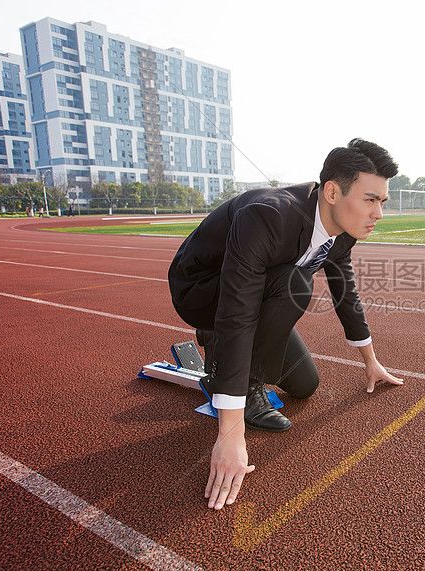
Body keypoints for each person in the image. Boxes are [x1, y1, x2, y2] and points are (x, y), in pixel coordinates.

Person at [168, 138, 404, 510]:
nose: (378, 213)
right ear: (332, 191)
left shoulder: (341, 234)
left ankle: (221, 353)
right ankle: (239, 384)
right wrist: (231, 431)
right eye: (370, 199)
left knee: (305, 385)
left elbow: (346, 294)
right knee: (296, 282)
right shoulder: (268, 216)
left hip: (254, 293)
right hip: (201, 291)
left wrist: (370, 360)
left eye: (382, 202)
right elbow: (236, 311)